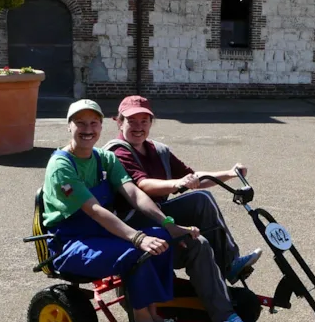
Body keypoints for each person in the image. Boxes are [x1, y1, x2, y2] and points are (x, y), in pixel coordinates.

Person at [42, 99, 257, 322]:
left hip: (104, 233)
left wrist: (170, 226)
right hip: (73, 241)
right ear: (68, 126)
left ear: (101, 126)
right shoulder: (61, 165)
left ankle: (157, 313)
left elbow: (135, 194)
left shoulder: (104, 158)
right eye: (80, 123)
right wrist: (138, 237)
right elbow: (94, 210)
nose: (88, 129)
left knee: (162, 238)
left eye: (93, 123)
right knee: (139, 251)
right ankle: (142, 320)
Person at [105, 95, 263, 285]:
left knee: (203, 201)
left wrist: (230, 173)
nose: (139, 127)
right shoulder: (118, 152)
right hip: (133, 220)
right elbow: (143, 185)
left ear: (151, 123)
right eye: (132, 121)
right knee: (201, 200)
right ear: (119, 123)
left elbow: (193, 177)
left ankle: (225, 267)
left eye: (144, 121)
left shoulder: (157, 150)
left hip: (159, 212)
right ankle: (228, 266)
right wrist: (177, 183)